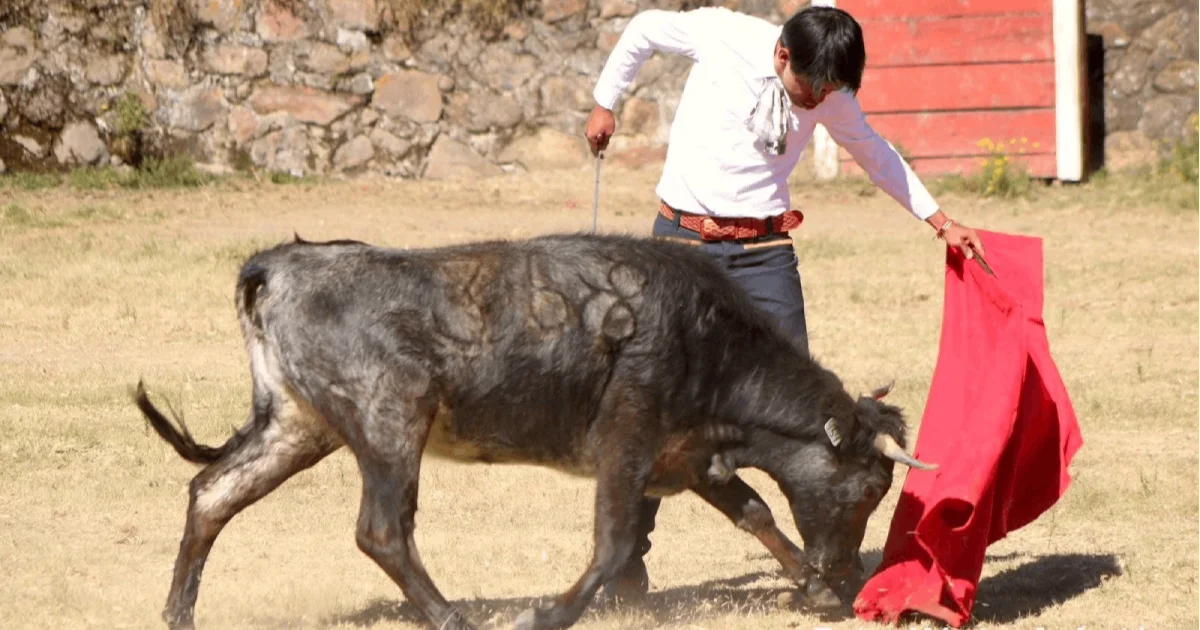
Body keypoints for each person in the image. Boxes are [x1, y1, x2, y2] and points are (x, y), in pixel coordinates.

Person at [583, 5, 988, 602]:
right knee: (654, 410)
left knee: (808, 413)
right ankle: (623, 566)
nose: (819, 99)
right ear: (781, 57)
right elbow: (643, 28)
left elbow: (876, 154)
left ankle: (825, 560)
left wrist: (940, 221)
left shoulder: (828, 93)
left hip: (764, 251)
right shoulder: (723, 34)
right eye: (811, 86)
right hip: (682, 249)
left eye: (831, 91)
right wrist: (606, 101)